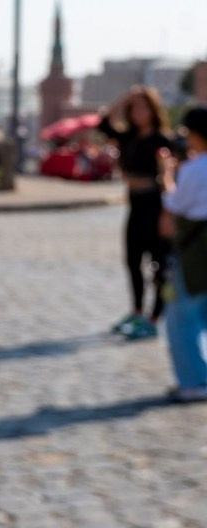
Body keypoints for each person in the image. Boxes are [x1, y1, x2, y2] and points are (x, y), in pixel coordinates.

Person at [98, 86, 172, 339]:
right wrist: (125, 98)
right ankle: (137, 311)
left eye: (144, 106)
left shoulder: (163, 140)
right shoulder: (129, 137)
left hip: (156, 206)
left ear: (154, 110)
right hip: (135, 206)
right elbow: (104, 124)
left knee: (158, 265)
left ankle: (155, 317)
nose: (139, 111)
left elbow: (170, 177)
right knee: (132, 260)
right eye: (135, 107)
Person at [158, 105, 207, 402]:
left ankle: (194, 380)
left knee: (182, 316)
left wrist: (166, 175)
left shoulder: (195, 169)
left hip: (195, 250)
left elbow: (172, 207)